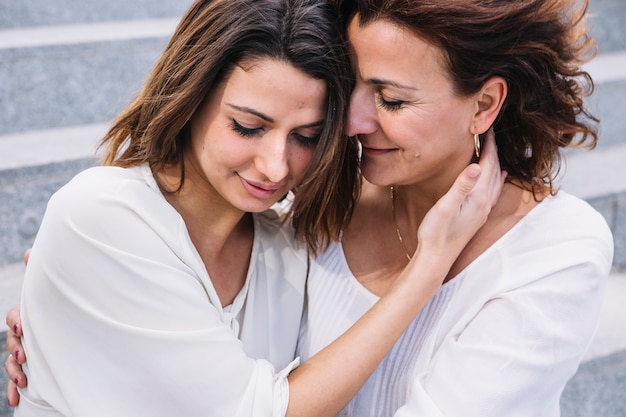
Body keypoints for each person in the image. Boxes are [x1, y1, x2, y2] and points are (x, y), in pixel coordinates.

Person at [2, 0, 506, 416]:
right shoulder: (100, 216)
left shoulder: (285, 244)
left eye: (306, 137)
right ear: (192, 95)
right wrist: (430, 262)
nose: (274, 167)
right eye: (247, 126)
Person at [293, 0, 614, 416]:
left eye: (390, 100)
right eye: (348, 82)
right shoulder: (325, 189)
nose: (352, 122)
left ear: (483, 105)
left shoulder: (557, 248)